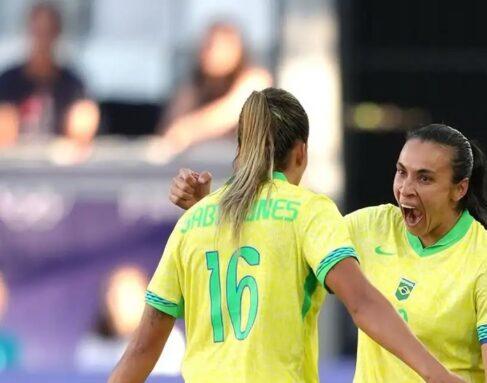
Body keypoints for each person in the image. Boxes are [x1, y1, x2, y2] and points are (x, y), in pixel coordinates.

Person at [110, 88, 463, 383]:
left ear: (241, 149)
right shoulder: (308, 211)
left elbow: (142, 349)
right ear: (300, 152)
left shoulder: (195, 221)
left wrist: (205, 206)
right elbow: (362, 303)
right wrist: (436, 374)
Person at [170, 124, 487, 383]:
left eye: (425, 179)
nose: (406, 189)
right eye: (401, 173)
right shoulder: (369, 227)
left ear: (459, 189)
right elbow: (280, 239)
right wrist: (208, 207)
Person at [150, 22, 271, 160]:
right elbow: (171, 130)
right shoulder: (194, 87)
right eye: (206, 45)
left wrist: (188, 130)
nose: (209, 52)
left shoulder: (256, 79)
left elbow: (229, 113)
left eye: (218, 46)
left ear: (238, 50)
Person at [0, 2, 99, 154]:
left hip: (58, 171)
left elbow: (81, 132)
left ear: (57, 34)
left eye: (48, 31)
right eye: (38, 31)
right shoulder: (8, 80)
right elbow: (4, 134)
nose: (43, 39)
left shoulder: (73, 84)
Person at [75, 264, 184, 375]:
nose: (115, 307)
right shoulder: (92, 348)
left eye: (124, 298)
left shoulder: (169, 342)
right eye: (112, 299)